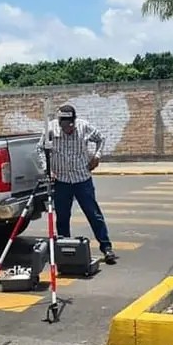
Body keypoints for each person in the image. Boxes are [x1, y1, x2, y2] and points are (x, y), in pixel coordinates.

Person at [37, 104, 118, 265]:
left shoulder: (84, 126)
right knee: (63, 217)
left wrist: (97, 156)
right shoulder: (51, 129)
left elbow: (101, 138)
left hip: (82, 178)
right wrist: (47, 169)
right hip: (61, 180)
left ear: (74, 121)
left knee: (93, 214)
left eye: (70, 125)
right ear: (60, 122)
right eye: (64, 125)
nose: (68, 129)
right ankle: (64, 248)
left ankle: (106, 247)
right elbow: (40, 149)